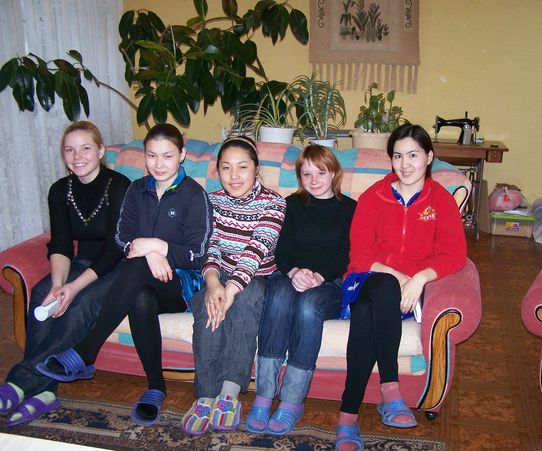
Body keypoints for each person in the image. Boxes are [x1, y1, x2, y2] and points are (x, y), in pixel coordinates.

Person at [36, 123, 213, 426]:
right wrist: (149, 253)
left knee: (136, 265)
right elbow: (122, 237)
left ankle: (86, 351)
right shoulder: (136, 189)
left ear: (182, 155)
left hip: (182, 285)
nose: (159, 164)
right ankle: (155, 388)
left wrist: (157, 247)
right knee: (141, 298)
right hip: (145, 281)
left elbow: (198, 254)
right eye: (152, 156)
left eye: (168, 156)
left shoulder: (194, 195)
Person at [335, 124, 467, 450]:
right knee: (383, 288)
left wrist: (420, 278)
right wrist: (396, 276)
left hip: (409, 291)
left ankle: (347, 416)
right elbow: (360, 255)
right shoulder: (373, 197)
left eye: (413, 155)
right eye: (397, 156)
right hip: (367, 278)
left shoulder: (441, 201)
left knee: (367, 313)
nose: (405, 164)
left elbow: (455, 254)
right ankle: (390, 388)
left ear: (429, 157)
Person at [0, 121, 131, 426]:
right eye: (69, 150)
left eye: (85, 148)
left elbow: (114, 248)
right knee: (42, 298)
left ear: (100, 151)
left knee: (79, 304)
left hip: (120, 266)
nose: (77, 156)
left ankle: (19, 382)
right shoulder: (60, 190)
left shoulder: (120, 186)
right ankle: (46, 392)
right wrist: (58, 283)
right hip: (82, 261)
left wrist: (73, 288)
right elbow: (60, 243)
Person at [246, 144, 356, 435]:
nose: (314, 179)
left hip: (330, 282)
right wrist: (294, 272)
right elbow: (281, 250)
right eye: (306, 174)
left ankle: (292, 400)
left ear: (334, 173)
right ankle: (264, 394)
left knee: (308, 307)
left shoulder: (350, 209)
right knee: (279, 298)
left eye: (321, 172)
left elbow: (347, 255)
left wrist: (319, 276)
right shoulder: (291, 205)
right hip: (290, 275)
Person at [181, 136, 286, 436]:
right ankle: (205, 395)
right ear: (218, 170)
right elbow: (209, 245)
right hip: (219, 274)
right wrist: (213, 283)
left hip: (257, 276)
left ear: (256, 168)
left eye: (242, 167)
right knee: (206, 303)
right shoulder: (211, 201)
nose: (234, 176)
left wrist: (230, 290)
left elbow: (256, 250)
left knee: (246, 297)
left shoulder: (274, 203)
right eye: (226, 168)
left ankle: (229, 393)